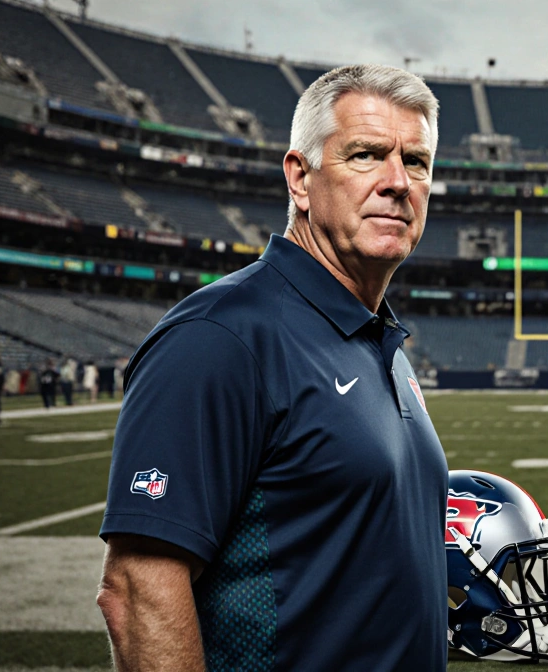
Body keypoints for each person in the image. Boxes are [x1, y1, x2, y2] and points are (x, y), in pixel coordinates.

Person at [96, 64, 448, 671]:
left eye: (415, 162)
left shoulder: (374, 336)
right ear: (301, 179)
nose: (397, 182)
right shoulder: (221, 337)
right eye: (366, 155)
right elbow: (137, 588)